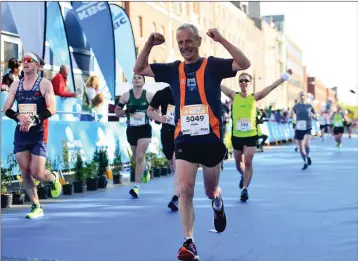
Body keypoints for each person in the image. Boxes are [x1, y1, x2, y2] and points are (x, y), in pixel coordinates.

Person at [133, 23, 251, 260]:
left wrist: (221, 39)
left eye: (189, 41)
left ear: (198, 42)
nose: (185, 46)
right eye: (181, 43)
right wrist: (149, 43)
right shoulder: (172, 69)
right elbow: (140, 68)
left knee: (209, 190)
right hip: (185, 138)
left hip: (211, 139)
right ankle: (189, 242)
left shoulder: (213, 65)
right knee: (185, 189)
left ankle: (217, 202)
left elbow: (244, 63)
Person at [3, 52, 62, 219]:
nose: (25, 62)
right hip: (21, 133)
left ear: (38, 65)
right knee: (25, 171)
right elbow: (6, 107)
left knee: (37, 173)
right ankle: (36, 206)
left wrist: (36, 119)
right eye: (24, 60)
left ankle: (52, 178)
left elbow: (52, 108)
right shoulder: (16, 85)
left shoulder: (44, 84)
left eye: (30, 60)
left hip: (38, 133)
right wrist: (17, 116)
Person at [221, 69, 292, 202]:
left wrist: (284, 77)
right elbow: (218, 84)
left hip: (251, 135)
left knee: (248, 161)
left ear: (250, 83)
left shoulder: (254, 97)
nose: (243, 83)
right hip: (237, 136)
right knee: (238, 164)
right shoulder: (233, 95)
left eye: (246, 80)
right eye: (241, 80)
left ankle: (245, 189)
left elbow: (270, 87)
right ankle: (244, 176)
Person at [115, 74, 153, 198]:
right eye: (135, 78)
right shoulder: (126, 96)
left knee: (140, 156)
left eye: (140, 78)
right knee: (137, 157)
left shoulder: (149, 95)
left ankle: (136, 187)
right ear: (132, 81)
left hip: (144, 129)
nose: (137, 79)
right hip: (131, 129)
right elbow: (117, 112)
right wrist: (126, 111)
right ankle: (145, 167)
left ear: (143, 81)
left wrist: (152, 115)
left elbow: (157, 110)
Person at [147, 85, 180, 211]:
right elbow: (149, 111)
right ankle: (179, 188)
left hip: (184, 131)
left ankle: (176, 197)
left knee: (177, 163)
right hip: (167, 131)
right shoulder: (162, 93)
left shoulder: (188, 90)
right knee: (172, 164)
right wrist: (160, 118)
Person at [292, 91, 316, 170]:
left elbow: (315, 114)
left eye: (303, 95)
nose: (302, 96)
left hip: (308, 127)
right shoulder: (296, 106)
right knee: (301, 147)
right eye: (301, 95)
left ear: (305, 97)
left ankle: (307, 155)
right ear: (299, 96)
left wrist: (313, 115)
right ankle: (305, 161)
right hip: (299, 128)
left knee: (306, 144)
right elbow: (293, 114)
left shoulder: (309, 106)